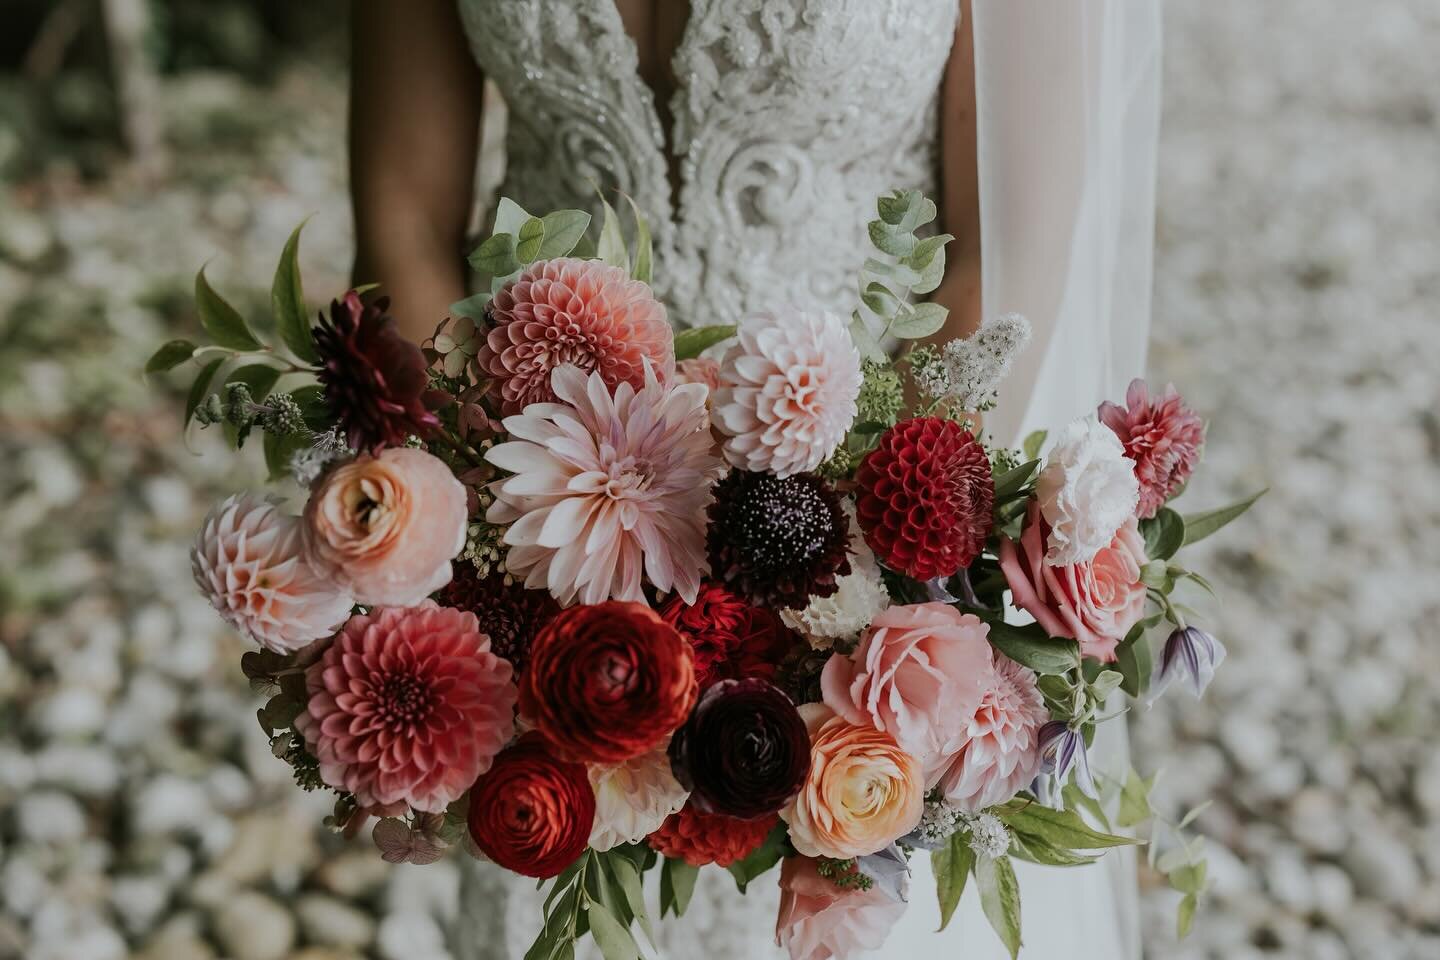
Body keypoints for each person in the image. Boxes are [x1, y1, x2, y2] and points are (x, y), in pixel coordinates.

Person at [350, 2, 1161, 957]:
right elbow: (405, 210)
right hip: (538, 547)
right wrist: (472, 536)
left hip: (853, 562)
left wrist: (860, 607)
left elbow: (1007, 250)